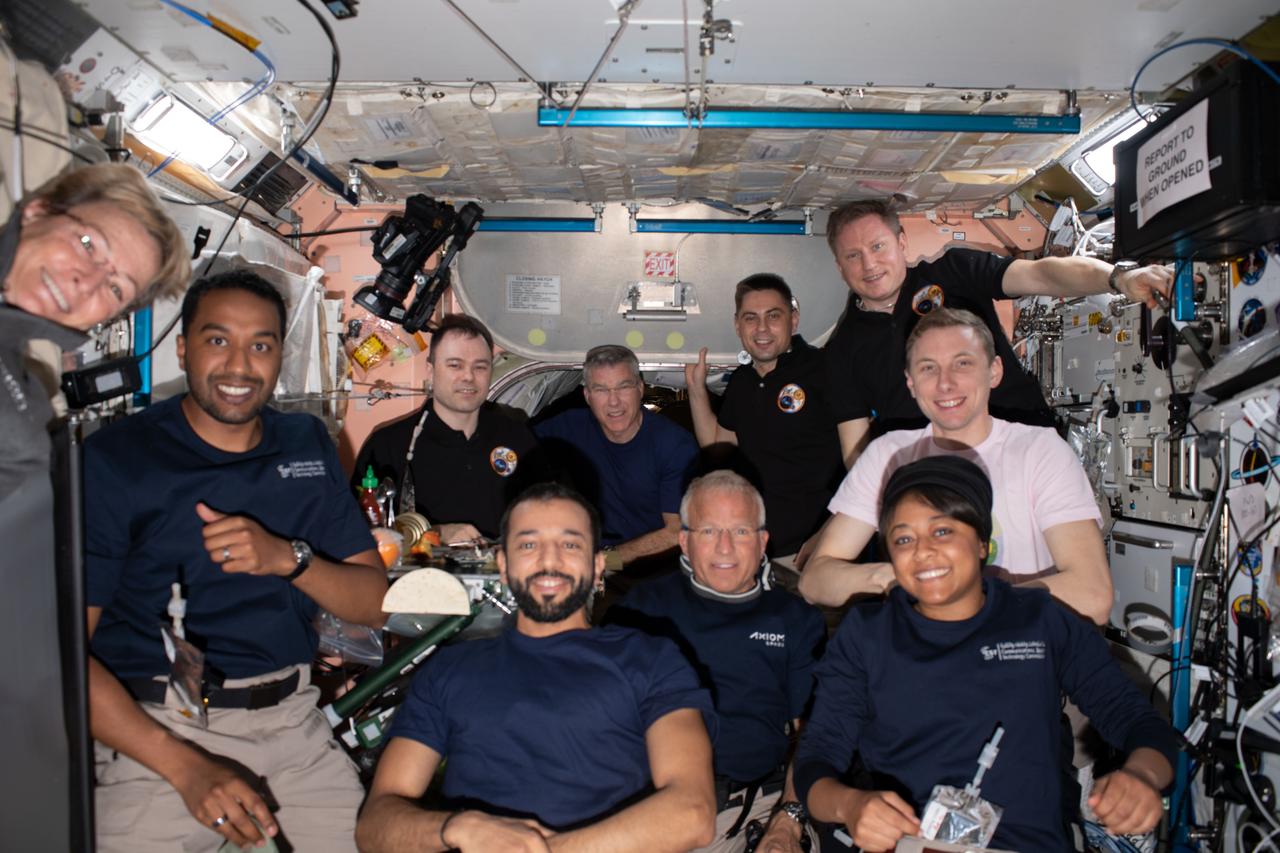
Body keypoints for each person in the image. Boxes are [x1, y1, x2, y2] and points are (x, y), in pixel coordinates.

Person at [84, 270, 388, 852]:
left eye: (261, 345)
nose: (239, 367)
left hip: (293, 729)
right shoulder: (118, 460)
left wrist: (289, 560)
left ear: (279, 356)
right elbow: (60, 658)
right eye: (218, 340)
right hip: (161, 734)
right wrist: (186, 767)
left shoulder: (304, 442)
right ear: (182, 347)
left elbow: (374, 604)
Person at [794, 456, 1177, 852]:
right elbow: (816, 762)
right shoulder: (867, 635)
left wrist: (1143, 776)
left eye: (942, 531)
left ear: (981, 542)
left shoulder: (1039, 620)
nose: (922, 551)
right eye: (903, 538)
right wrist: (851, 805)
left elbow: (1140, 724)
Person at [356, 481, 718, 853]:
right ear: (503, 565)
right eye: (528, 544)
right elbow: (374, 826)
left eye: (570, 544)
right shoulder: (450, 669)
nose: (549, 559)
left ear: (597, 567)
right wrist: (458, 828)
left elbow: (693, 812)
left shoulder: (651, 659)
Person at [0, 162, 188, 850]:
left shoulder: (21, 382)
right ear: (39, 208)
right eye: (88, 246)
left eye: (114, 287)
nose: (87, 283)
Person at [799, 307, 1111, 625]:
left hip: (1015, 655)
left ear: (994, 371)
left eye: (962, 363)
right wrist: (898, 577)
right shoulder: (888, 455)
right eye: (928, 368)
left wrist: (970, 607)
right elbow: (815, 580)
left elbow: (1093, 595)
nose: (945, 383)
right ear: (910, 383)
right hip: (923, 658)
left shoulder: (1039, 451)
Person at [822, 198, 1173, 465]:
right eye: (853, 256)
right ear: (838, 267)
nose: (869, 264)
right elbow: (857, 451)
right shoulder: (842, 350)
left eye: (877, 247)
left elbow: (1041, 275)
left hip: (1023, 448)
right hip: (940, 481)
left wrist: (1118, 278)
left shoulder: (953, 272)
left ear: (900, 243)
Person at [609, 470, 825, 853]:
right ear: (684, 542)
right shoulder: (642, 610)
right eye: (709, 532)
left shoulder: (795, 619)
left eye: (740, 532)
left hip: (754, 805)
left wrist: (788, 820)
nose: (725, 548)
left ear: (762, 543)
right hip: (651, 805)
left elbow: (815, 733)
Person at [684, 274, 845, 565]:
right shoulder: (742, 381)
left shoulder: (824, 370)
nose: (761, 328)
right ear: (737, 325)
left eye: (773, 316)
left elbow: (859, 460)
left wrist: (829, 533)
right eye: (750, 318)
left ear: (793, 320)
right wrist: (696, 389)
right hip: (753, 549)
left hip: (812, 551)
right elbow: (718, 445)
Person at [352, 313, 548, 543]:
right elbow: (359, 535)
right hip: (419, 576)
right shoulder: (388, 446)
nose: (468, 377)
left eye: (480, 367)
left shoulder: (518, 438)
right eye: (455, 365)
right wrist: (436, 534)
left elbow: (549, 516)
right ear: (431, 370)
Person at [535, 344, 699, 566]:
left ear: (640, 389)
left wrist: (603, 562)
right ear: (588, 395)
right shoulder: (570, 426)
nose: (614, 401)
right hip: (590, 563)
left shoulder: (675, 446)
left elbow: (676, 533)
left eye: (623, 387)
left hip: (654, 570)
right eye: (601, 389)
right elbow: (511, 448)